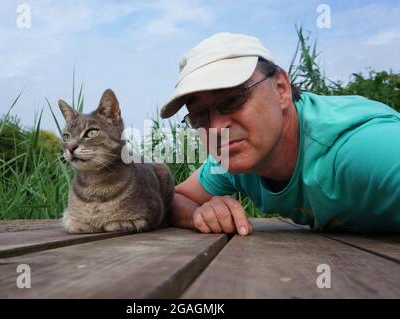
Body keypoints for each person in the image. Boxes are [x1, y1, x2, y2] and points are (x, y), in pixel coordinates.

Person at [160, 32, 400, 235]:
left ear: (281, 89)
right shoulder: (236, 158)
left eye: (233, 100)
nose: (217, 128)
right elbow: (173, 198)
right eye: (200, 115)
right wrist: (200, 215)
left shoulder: (357, 149)